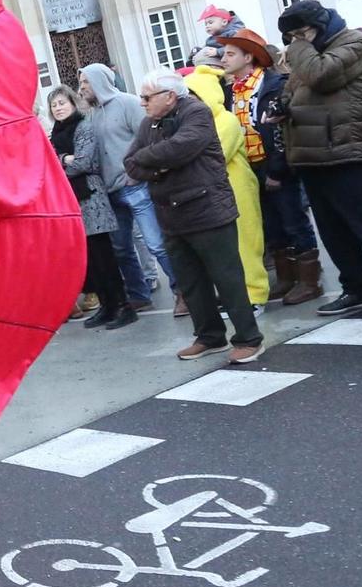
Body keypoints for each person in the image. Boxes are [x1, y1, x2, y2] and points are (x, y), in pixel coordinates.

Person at [277, 0, 362, 320]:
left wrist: (296, 48)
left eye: (302, 32)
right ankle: (356, 288)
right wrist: (281, 108)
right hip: (310, 154)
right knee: (333, 231)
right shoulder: (308, 50)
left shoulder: (355, 42)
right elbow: (293, 90)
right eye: (293, 35)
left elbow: (319, 75)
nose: (298, 39)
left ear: (321, 25)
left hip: (345, 148)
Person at [123, 72, 265, 364]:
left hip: (207, 209)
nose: (142, 103)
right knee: (191, 282)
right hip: (171, 214)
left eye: (147, 97)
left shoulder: (196, 113)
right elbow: (131, 164)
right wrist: (160, 166)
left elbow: (181, 148)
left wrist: (153, 161)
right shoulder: (150, 122)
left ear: (169, 96)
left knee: (227, 278)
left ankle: (249, 339)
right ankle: (210, 336)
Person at [218, 29, 322, 305]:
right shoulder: (228, 91)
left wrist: (278, 169)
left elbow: (280, 131)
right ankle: (287, 277)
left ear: (249, 56)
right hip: (248, 167)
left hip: (275, 162)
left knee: (293, 218)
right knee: (270, 223)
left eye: (230, 54)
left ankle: (310, 279)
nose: (223, 59)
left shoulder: (274, 84)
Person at [78, 63, 173, 312]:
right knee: (122, 249)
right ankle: (139, 294)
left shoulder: (128, 103)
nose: (81, 88)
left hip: (135, 186)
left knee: (156, 243)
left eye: (85, 82)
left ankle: (182, 291)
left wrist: (139, 172)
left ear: (99, 81)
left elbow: (148, 139)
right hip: (110, 191)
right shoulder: (93, 113)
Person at [48, 87, 134, 330]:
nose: (59, 108)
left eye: (62, 103)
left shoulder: (83, 126)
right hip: (73, 199)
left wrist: (59, 161)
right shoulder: (57, 132)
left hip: (91, 197)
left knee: (105, 255)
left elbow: (85, 162)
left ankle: (123, 306)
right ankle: (107, 306)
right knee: (92, 259)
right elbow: (54, 160)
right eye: (54, 105)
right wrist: (66, 158)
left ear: (73, 103)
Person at [185, 67, 269, 313]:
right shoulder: (197, 124)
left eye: (194, 96)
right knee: (225, 250)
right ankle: (235, 296)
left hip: (238, 188)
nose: (189, 102)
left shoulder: (225, 120)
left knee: (247, 243)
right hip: (215, 193)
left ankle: (255, 295)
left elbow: (216, 155)